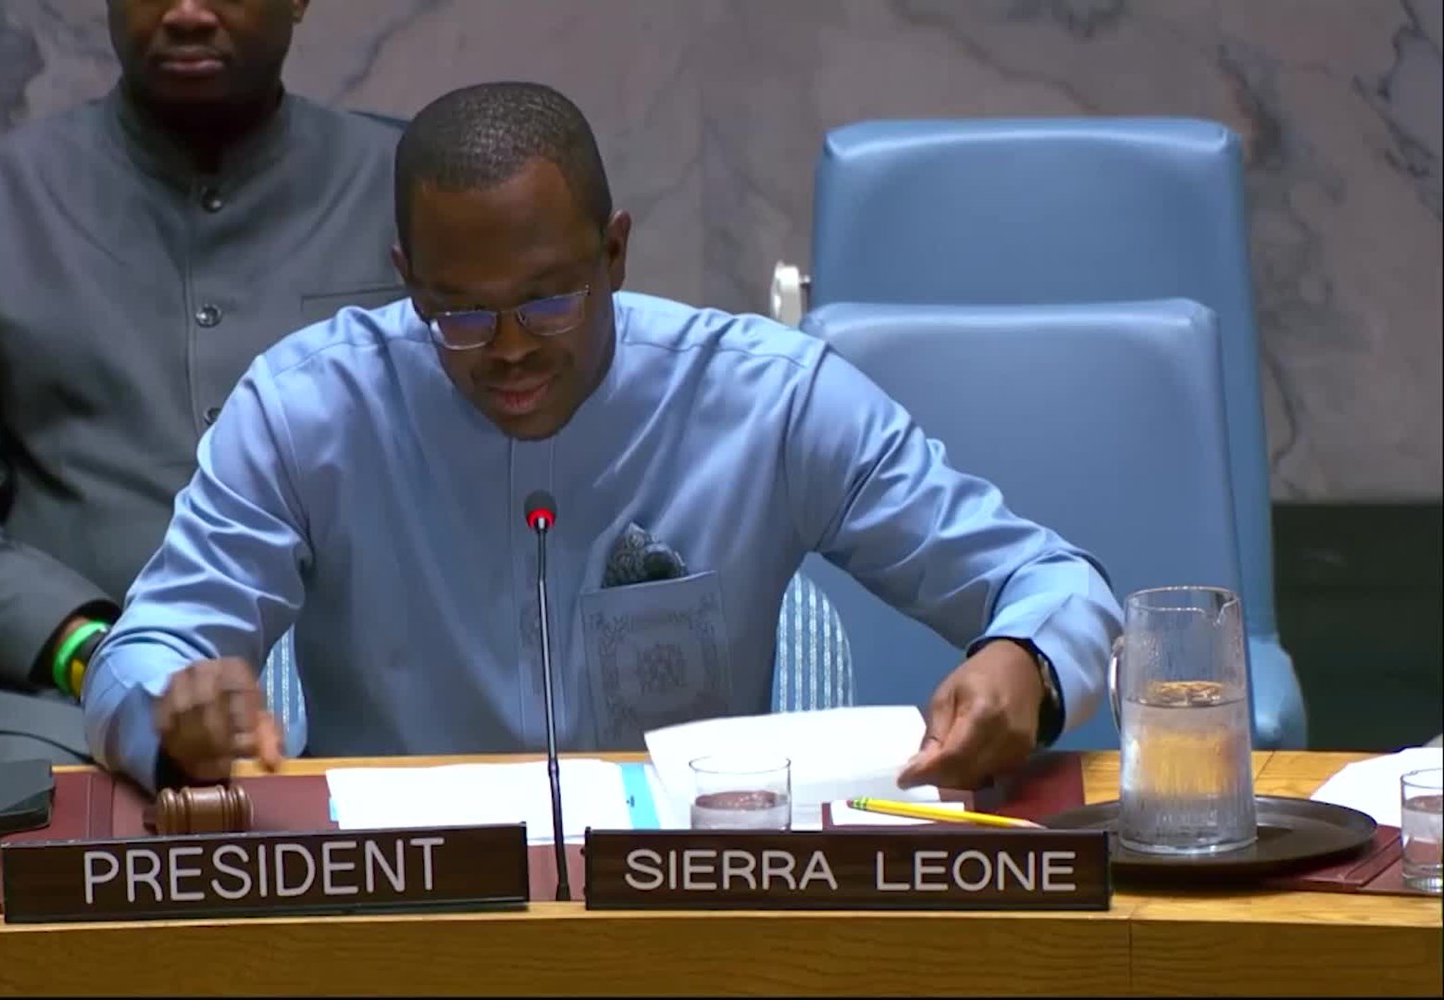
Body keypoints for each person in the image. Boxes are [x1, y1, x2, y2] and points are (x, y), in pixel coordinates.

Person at [84, 81, 1125, 793]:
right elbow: (141, 654)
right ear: (406, 278)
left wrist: (1025, 663)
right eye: (458, 312)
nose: (508, 350)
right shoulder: (304, 411)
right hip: (402, 905)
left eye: (549, 301)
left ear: (614, 254)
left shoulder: (771, 401)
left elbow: (1056, 585)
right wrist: (172, 714)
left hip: (684, 901)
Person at [0, 0, 403, 766]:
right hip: (54, 707)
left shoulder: (412, 190)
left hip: (377, 694)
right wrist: (100, 656)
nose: (186, 11)